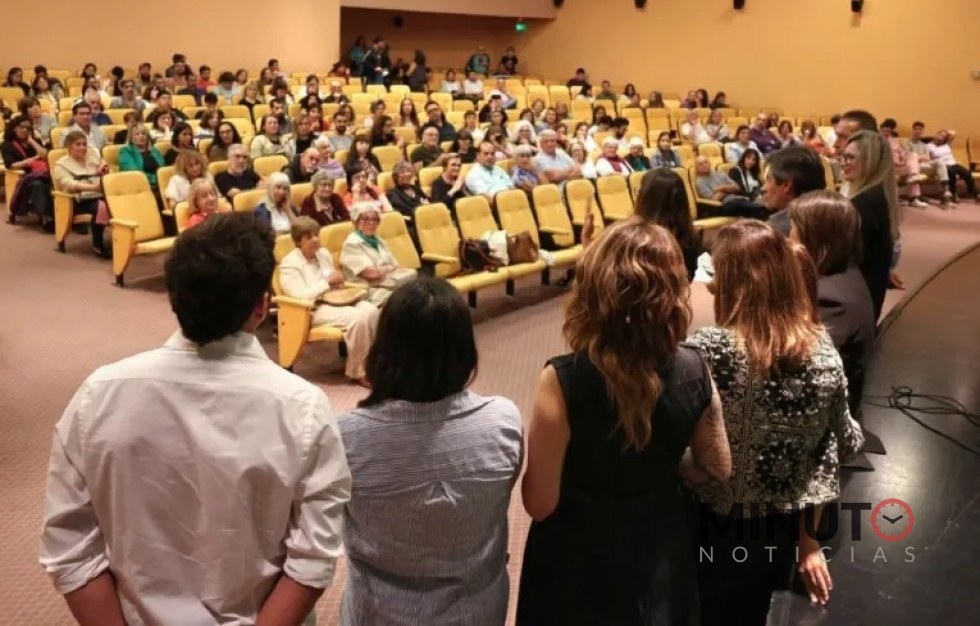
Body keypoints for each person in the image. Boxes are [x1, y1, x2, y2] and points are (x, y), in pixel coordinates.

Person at [38, 212, 352, 625]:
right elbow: (313, 557)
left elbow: (70, 548)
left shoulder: (98, 394)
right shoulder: (304, 408)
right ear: (262, 305)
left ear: (174, 298)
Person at [518, 216, 732, 625]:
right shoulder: (695, 368)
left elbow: (540, 505)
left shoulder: (562, 379)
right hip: (660, 547)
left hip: (575, 560)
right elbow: (718, 466)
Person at [688, 220, 864, 624]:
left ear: (735, 282)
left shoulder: (706, 351)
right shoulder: (824, 352)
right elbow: (843, 444)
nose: (711, 283)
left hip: (705, 524)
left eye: (717, 272)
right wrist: (809, 542)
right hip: (779, 530)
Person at [338, 276, 522, 625]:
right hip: (476, 613)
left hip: (376, 614)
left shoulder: (345, 436)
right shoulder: (503, 420)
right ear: (465, 349)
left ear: (383, 348)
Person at [279, 216, 380, 386]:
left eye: (316, 235)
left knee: (372, 311)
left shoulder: (323, 254)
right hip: (311, 309)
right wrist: (326, 283)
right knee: (358, 318)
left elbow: (333, 279)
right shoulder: (290, 264)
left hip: (335, 299)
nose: (315, 240)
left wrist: (338, 281)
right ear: (297, 241)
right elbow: (298, 296)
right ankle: (358, 371)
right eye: (308, 237)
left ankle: (371, 364)